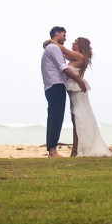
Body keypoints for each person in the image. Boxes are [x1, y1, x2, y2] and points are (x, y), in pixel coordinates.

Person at [54, 36, 112, 157]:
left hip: (78, 91)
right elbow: (60, 53)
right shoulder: (76, 56)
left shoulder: (79, 56)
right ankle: (75, 149)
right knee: (76, 119)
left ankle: (77, 150)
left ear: (80, 45)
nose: (72, 42)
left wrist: (52, 41)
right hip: (75, 91)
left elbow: (62, 50)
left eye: (75, 42)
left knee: (79, 118)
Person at [40, 26, 86, 158]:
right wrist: (79, 80)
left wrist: (49, 42)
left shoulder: (52, 48)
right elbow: (63, 68)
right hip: (56, 86)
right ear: (57, 34)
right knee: (56, 119)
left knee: (53, 118)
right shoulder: (53, 48)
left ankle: (51, 151)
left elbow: (65, 56)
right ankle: (53, 152)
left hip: (51, 87)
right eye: (63, 35)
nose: (65, 38)